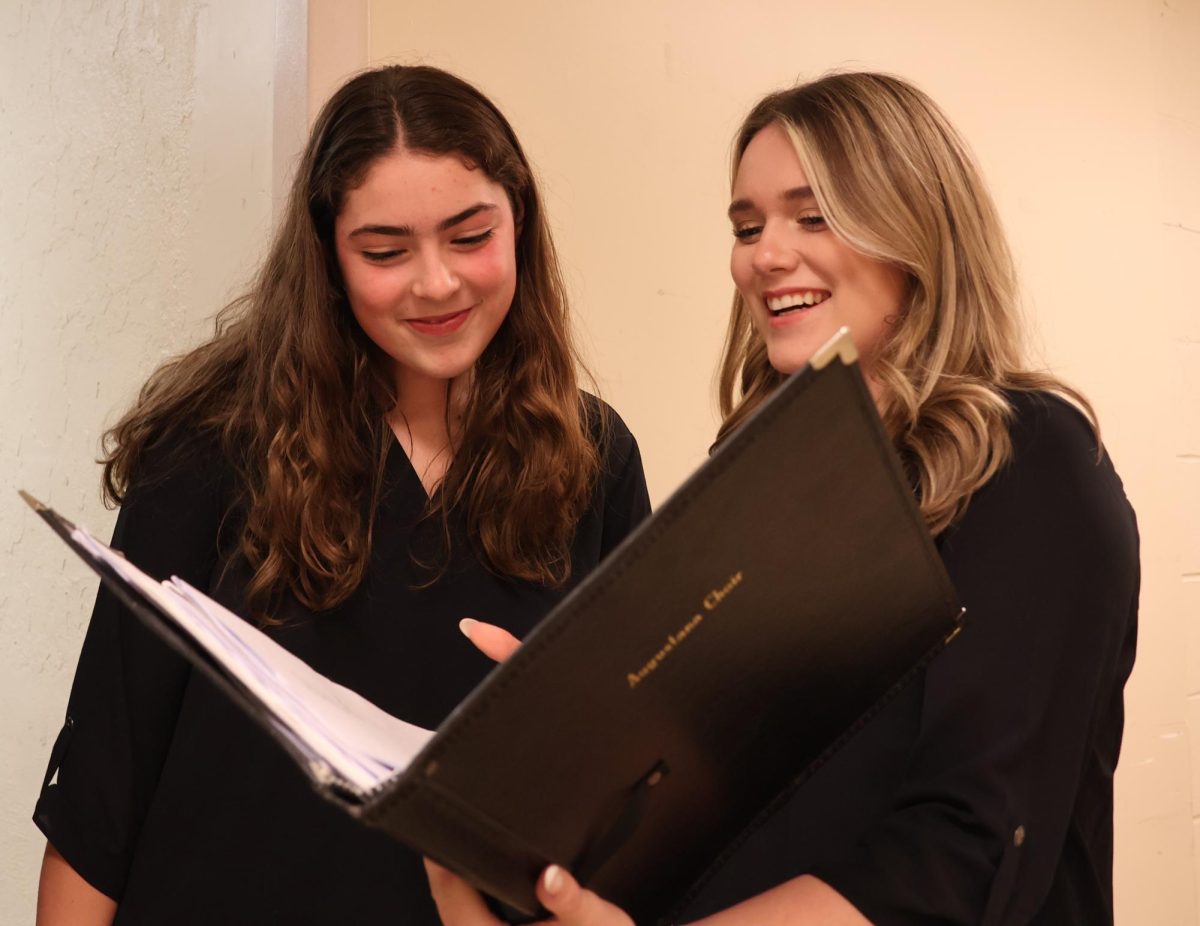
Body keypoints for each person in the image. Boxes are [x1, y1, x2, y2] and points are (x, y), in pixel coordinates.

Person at [430, 72, 1139, 925]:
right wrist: (589, 731)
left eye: (814, 215)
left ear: (918, 228)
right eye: (747, 225)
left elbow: (968, 849)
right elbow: (725, 815)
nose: (764, 254)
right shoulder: (758, 488)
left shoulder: (1029, 459)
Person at [33, 65, 651, 925]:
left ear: (522, 225)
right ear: (328, 256)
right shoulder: (210, 448)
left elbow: (630, 796)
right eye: (386, 251)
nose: (436, 284)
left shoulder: (595, 460)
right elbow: (102, 788)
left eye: (471, 237)